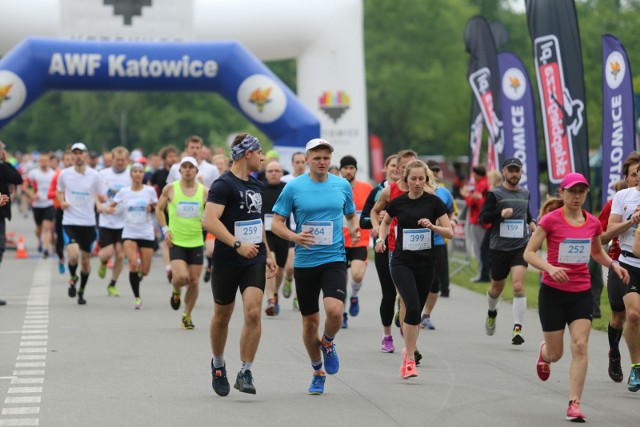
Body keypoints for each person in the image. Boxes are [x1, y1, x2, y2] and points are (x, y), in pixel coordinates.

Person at [524, 172, 629, 423]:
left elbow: (597, 252)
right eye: (572, 191)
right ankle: (545, 353)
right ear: (562, 193)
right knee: (557, 353)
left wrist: (613, 265)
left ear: (586, 194)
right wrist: (549, 268)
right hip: (552, 293)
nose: (577, 196)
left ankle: (574, 403)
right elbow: (529, 253)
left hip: (581, 292)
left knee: (580, 346)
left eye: (581, 191)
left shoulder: (592, 222)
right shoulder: (550, 220)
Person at [271, 138, 360, 395]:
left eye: (326, 158)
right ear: (307, 160)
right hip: (305, 261)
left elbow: (351, 214)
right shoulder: (293, 188)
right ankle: (317, 370)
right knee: (310, 324)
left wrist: (354, 230)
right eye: (317, 158)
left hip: (333, 258)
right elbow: (277, 223)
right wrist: (294, 237)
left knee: (334, 312)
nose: (322, 162)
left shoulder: (342, 185)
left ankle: (329, 342)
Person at [203, 133, 276, 397]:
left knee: (254, 312)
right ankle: (219, 364)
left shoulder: (258, 187)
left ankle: (245, 371)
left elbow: (257, 222)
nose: (262, 158)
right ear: (248, 154)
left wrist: (267, 252)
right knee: (222, 316)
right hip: (227, 258)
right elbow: (209, 221)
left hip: (254, 257)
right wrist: (236, 244)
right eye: (260, 153)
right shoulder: (223, 185)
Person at [374, 160, 452, 379]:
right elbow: (385, 222)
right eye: (413, 179)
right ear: (406, 180)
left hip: (426, 263)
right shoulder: (398, 202)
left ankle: (408, 351)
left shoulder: (435, 203)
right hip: (401, 261)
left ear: (426, 179)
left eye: (421, 179)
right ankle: (409, 359)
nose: (417, 183)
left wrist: (433, 226)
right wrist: (380, 239)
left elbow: (450, 232)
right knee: (414, 306)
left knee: (415, 311)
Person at [478, 157, 536, 344]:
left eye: (517, 171)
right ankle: (491, 312)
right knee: (496, 288)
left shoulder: (525, 193)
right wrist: (499, 214)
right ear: (504, 171)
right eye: (510, 171)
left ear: (521, 173)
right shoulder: (494, 194)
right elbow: (483, 218)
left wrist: (533, 223)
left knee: (518, 286)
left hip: (520, 246)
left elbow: (526, 214)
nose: (514, 174)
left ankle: (517, 329)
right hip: (499, 248)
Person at [600, 152, 640, 384]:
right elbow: (604, 235)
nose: (636, 177)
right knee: (623, 316)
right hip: (624, 264)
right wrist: (631, 220)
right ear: (628, 177)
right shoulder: (622, 197)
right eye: (634, 174)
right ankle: (618, 355)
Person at [156, 156, 208, 329]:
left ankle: (187, 315)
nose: (187, 170)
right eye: (184, 167)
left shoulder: (204, 191)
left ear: (196, 171)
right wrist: (165, 229)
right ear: (179, 171)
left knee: (193, 281)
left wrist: (206, 220)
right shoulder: (171, 189)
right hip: (177, 240)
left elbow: (213, 212)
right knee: (180, 277)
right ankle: (176, 290)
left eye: (190, 167)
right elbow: (159, 209)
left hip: (196, 241)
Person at [56, 142, 107, 305]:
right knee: (73, 254)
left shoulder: (95, 175)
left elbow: (100, 194)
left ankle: (82, 290)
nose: (77, 156)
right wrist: (62, 201)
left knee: (85, 261)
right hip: (70, 221)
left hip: (88, 223)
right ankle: (72, 277)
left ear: (85, 155)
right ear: (71, 156)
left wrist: (100, 203)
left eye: (80, 153)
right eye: (74, 153)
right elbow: (59, 191)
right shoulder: (64, 174)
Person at [360, 154, 400, 352]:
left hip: (403, 246)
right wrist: (377, 223)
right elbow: (364, 220)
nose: (396, 169)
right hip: (383, 245)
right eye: (393, 166)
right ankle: (387, 336)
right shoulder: (378, 191)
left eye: (399, 166)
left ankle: (404, 318)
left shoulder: (410, 190)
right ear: (385, 168)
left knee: (405, 294)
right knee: (389, 292)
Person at [106, 163, 157, 308]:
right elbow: (111, 205)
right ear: (131, 174)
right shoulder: (124, 191)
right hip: (129, 232)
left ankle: (138, 277)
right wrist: (109, 209)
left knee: (145, 270)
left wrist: (151, 207)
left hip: (146, 232)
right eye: (135, 171)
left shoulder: (150, 191)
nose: (138, 174)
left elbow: (159, 206)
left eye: (140, 171)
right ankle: (137, 297)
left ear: (143, 175)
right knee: (133, 264)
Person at [419, 159, 456, 329]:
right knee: (418, 279)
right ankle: (413, 311)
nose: (434, 173)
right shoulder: (414, 191)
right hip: (418, 242)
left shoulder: (444, 193)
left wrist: (452, 222)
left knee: (435, 281)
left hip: (437, 241)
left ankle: (426, 315)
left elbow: (451, 213)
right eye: (430, 170)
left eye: (436, 170)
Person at [338, 155, 372, 328]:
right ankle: (342, 314)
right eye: (345, 168)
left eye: (352, 168)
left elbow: (375, 209)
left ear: (356, 170)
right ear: (340, 170)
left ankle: (355, 295)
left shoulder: (366, 188)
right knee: (340, 281)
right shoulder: (335, 188)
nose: (349, 171)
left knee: (357, 275)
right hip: (339, 242)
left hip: (360, 240)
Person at [96, 147, 131, 297]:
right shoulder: (102, 174)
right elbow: (95, 193)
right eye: (117, 160)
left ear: (127, 160)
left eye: (123, 160)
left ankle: (112, 283)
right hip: (107, 219)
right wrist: (100, 206)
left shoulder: (131, 175)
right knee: (106, 253)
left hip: (124, 221)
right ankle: (103, 263)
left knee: (120, 254)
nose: (120, 163)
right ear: (112, 159)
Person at [280, 151, 308, 309]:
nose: (299, 165)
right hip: (290, 230)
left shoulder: (310, 180)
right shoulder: (285, 181)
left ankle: (298, 297)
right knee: (290, 266)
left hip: (306, 231)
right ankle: (288, 279)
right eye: (296, 162)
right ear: (292, 164)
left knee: (303, 267)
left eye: (302, 162)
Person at [262, 160, 289, 316]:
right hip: (266, 233)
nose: (273, 173)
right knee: (269, 263)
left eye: (276, 171)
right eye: (270, 171)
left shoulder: (286, 189)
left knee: (280, 269)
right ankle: (270, 299)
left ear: (281, 173)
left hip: (282, 232)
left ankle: (275, 292)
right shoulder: (260, 188)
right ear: (266, 174)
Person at [0, 140, 23, 306]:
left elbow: (17, 179)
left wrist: (6, 162)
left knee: (0, 248)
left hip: (0, 215)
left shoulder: (2, 168)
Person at [461, 165, 490, 282]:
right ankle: (485, 273)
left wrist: (466, 195)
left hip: (478, 221)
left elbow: (474, 202)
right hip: (481, 220)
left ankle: (482, 274)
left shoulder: (482, 184)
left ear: (476, 174)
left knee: (479, 249)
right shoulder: (484, 183)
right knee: (483, 249)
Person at [24, 152, 56, 258]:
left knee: (48, 228)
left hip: (49, 203)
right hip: (37, 204)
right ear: (38, 161)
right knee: (39, 228)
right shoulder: (33, 173)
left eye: (45, 160)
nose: (44, 163)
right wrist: (32, 195)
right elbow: (24, 186)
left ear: (49, 161)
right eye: (41, 160)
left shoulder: (53, 173)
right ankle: (40, 240)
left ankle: (45, 249)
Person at [48, 150, 74, 274]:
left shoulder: (80, 175)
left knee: (72, 239)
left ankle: (72, 260)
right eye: (67, 160)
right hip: (60, 210)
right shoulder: (59, 175)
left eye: (71, 160)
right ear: (63, 162)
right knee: (60, 239)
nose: (69, 162)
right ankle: (61, 258)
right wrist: (61, 195)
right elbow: (50, 193)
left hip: (74, 212)